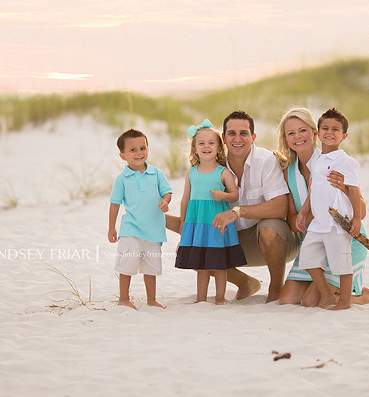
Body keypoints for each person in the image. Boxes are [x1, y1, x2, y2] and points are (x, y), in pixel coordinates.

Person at [167, 111, 299, 303]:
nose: (238, 139)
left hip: (273, 242)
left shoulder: (266, 161)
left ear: (253, 137)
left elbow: (280, 208)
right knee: (190, 249)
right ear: (223, 138)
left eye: (243, 133)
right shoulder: (212, 167)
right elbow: (197, 214)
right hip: (232, 241)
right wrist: (158, 217)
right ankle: (245, 283)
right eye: (231, 133)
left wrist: (237, 212)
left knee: (269, 228)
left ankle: (276, 289)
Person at [276, 107, 369, 308]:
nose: (297, 137)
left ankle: (364, 297)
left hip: (342, 236)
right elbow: (292, 221)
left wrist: (344, 188)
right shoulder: (288, 172)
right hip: (315, 237)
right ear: (285, 138)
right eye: (291, 133)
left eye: (303, 130)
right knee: (288, 300)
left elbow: (361, 212)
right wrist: (309, 216)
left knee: (311, 301)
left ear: (314, 133)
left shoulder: (335, 161)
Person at [175, 120, 247, 304]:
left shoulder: (223, 172)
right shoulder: (191, 172)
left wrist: (223, 195)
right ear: (195, 149)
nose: (206, 146)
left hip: (217, 225)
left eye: (211, 143)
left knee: (219, 265)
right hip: (197, 223)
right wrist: (183, 221)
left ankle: (220, 299)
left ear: (219, 148)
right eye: (201, 143)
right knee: (201, 266)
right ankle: (200, 299)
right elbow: (185, 198)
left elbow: (235, 195)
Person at [108, 128, 172, 310]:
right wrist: (111, 228)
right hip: (131, 229)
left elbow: (167, 192)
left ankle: (151, 300)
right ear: (123, 156)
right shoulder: (121, 179)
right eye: (133, 150)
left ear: (148, 150)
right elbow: (114, 204)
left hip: (154, 230)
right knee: (127, 264)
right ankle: (124, 298)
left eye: (142, 148)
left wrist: (166, 202)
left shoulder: (156, 173)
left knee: (151, 268)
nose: (139, 153)